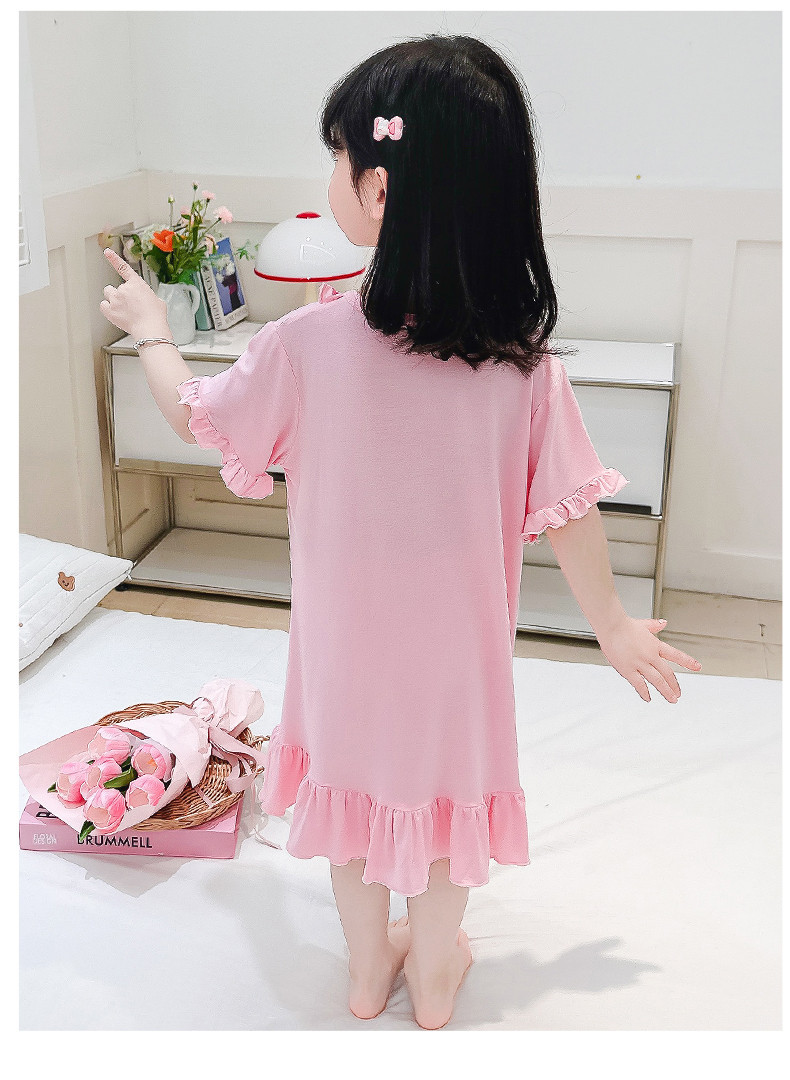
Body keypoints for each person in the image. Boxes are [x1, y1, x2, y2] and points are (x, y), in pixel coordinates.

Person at [99, 33, 701, 1031]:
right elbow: (572, 506)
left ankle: (365, 971)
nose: (331, 176)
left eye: (337, 157)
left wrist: (153, 331)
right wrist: (612, 625)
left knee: (348, 801)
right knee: (444, 810)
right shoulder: (521, 365)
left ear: (377, 189)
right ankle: (433, 977)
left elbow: (193, 414)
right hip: (460, 659)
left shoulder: (305, 344)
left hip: (342, 648)